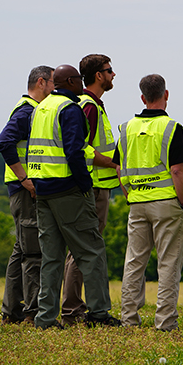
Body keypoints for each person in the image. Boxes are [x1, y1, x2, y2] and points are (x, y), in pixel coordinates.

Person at [26, 64, 118, 329]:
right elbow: (75, 151)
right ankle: (99, 313)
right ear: (70, 82)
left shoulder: (41, 108)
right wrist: (84, 184)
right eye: (78, 79)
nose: (82, 83)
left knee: (52, 256)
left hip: (43, 190)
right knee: (91, 251)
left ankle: (45, 319)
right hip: (68, 190)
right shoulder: (69, 109)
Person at [116, 74, 183, 331]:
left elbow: (118, 168)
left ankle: (129, 319)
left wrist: (130, 193)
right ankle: (165, 322)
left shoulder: (126, 128)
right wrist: (182, 201)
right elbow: (177, 170)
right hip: (167, 203)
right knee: (168, 262)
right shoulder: (173, 128)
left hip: (137, 202)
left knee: (134, 261)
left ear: (142, 98)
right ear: (166, 95)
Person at [61, 54, 123, 326]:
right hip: (94, 187)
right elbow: (82, 146)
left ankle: (75, 307)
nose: (113, 75)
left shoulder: (94, 104)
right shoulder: (88, 106)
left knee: (83, 248)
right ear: (99, 75)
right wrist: (112, 163)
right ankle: (73, 309)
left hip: (98, 186)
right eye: (110, 71)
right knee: (84, 249)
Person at [0, 65, 54, 324]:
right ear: (41, 83)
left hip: (20, 189)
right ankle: (32, 313)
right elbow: (4, 142)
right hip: (24, 190)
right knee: (33, 252)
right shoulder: (27, 112)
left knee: (21, 249)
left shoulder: (31, 110)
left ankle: (12, 311)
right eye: (52, 84)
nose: (55, 90)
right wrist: (24, 177)